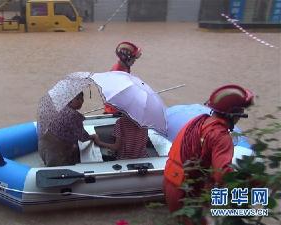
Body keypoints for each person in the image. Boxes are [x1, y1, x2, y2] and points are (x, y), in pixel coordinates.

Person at [163, 84, 254, 225]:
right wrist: (253, 181)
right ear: (232, 114)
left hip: (170, 181)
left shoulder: (198, 120)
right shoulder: (221, 136)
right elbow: (223, 175)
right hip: (186, 190)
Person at [38, 92, 97, 166]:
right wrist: (93, 136)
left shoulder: (58, 108)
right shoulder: (73, 115)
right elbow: (82, 137)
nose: (81, 101)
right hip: (56, 152)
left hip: (43, 146)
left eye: (82, 98)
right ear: (69, 100)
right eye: (77, 99)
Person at [104, 41, 142, 114]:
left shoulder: (124, 67)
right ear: (126, 59)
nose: (134, 61)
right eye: (133, 59)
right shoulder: (118, 73)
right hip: (115, 111)